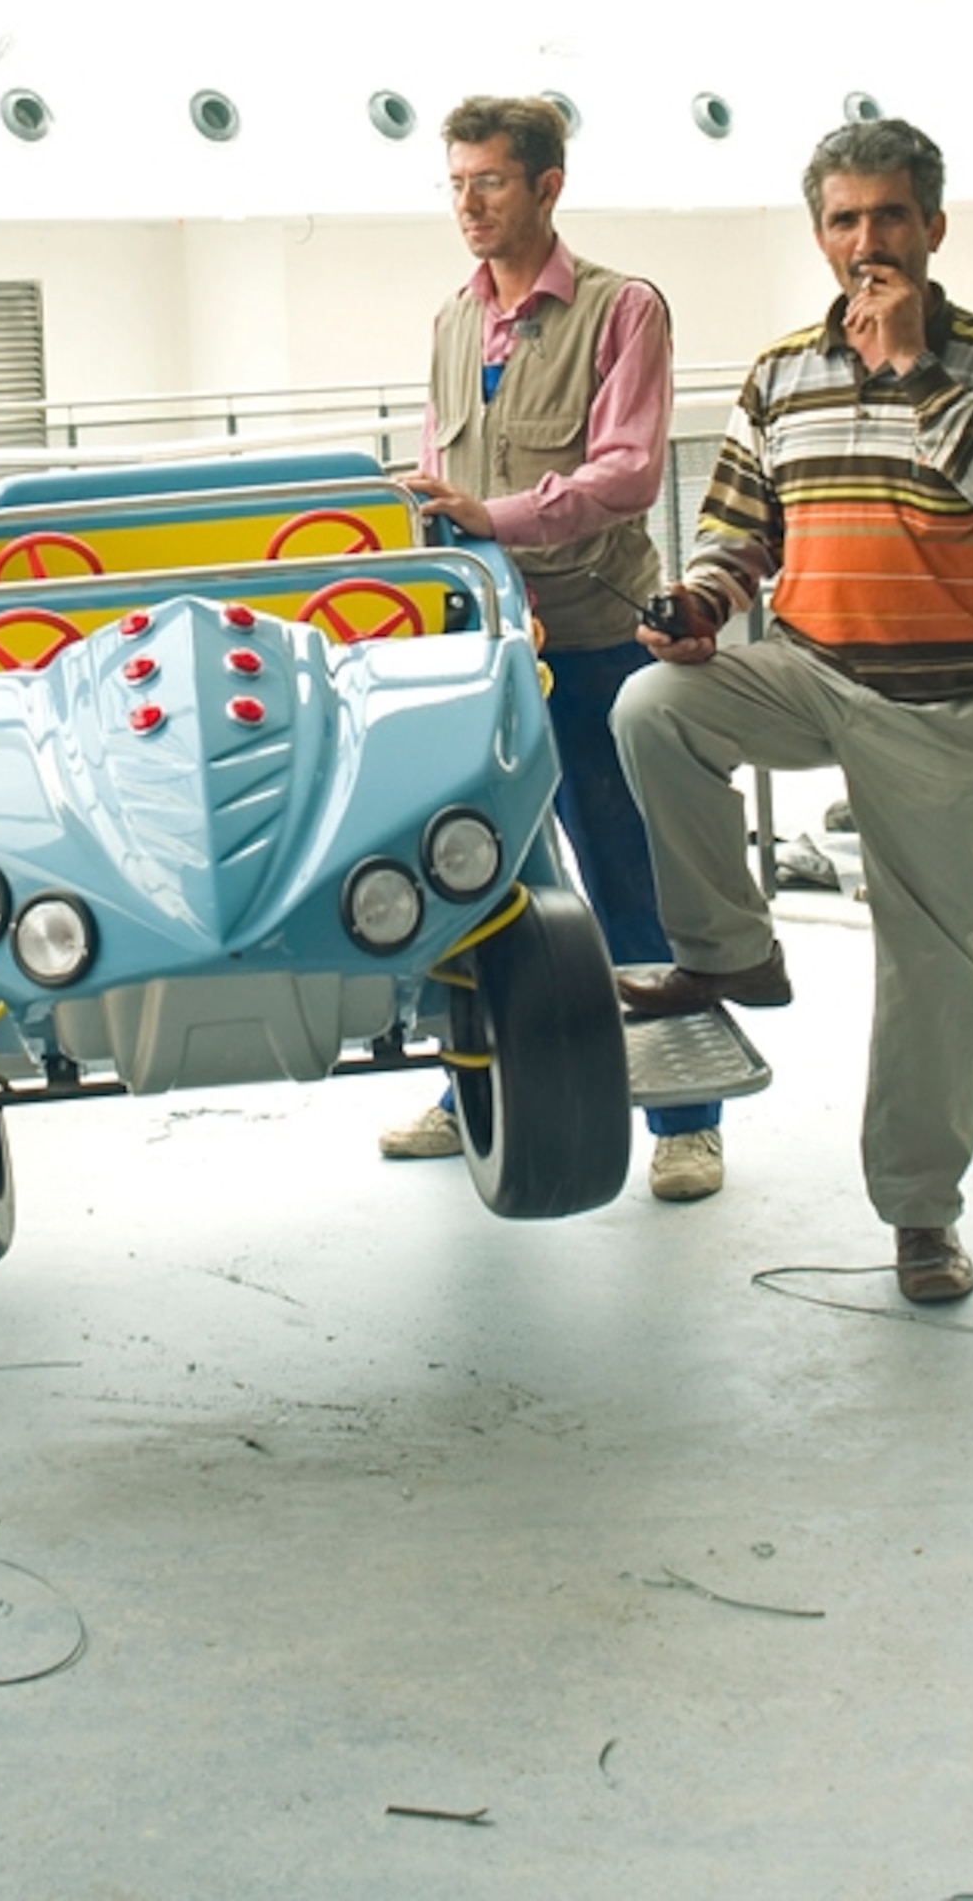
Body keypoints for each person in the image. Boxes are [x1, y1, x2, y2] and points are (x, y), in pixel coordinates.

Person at [611, 116, 973, 1301]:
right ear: (820, 233)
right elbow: (737, 525)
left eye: (890, 216)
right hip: (815, 672)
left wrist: (912, 367)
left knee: (934, 973)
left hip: (946, 713)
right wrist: (702, 600)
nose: (868, 240)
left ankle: (919, 1216)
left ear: (933, 227)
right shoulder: (777, 373)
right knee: (653, 704)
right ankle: (731, 952)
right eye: (845, 219)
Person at [385, 94, 730, 1203]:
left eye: (489, 181)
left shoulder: (623, 309)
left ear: (547, 186)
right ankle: (470, 1088)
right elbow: (452, 466)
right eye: (455, 184)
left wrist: (499, 516)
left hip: (591, 642)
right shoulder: (450, 321)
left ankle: (684, 1117)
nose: (469, 205)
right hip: (480, 654)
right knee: (469, 874)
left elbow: (629, 472)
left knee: (626, 875)